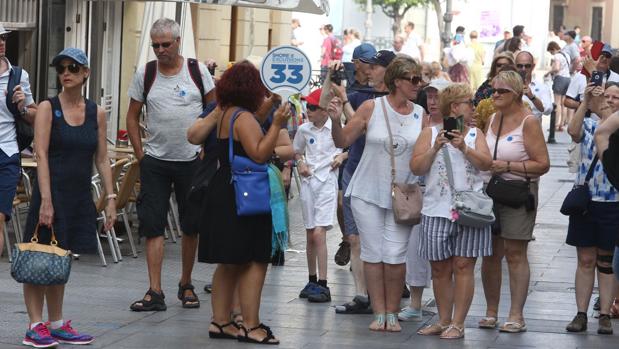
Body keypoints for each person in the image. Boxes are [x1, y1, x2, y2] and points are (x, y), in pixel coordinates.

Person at [21, 48, 114, 348]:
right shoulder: (48, 108)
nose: (66, 72)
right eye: (60, 68)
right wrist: (46, 199)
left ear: (86, 72)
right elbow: (41, 153)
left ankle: (57, 323)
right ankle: (35, 325)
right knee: (39, 258)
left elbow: (102, 158)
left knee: (60, 259)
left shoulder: (96, 112)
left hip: (77, 196)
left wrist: (111, 197)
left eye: (73, 67)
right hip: (51, 192)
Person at [327, 55, 425, 332]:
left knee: (395, 255)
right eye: (413, 79)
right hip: (367, 191)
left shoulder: (420, 114)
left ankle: (392, 312)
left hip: (403, 195)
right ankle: (379, 312)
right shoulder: (371, 107)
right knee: (372, 252)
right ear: (397, 82)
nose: (418, 85)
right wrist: (335, 121)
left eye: (420, 79)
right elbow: (343, 140)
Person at [198, 61, 290, 344]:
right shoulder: (244, 118)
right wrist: (277, 125)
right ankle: (251, 325)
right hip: (244, 195)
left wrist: (269, 108)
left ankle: (221, 321)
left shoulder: (227, 113)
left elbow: (250, 123)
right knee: (255, 259)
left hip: (225, 188)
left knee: (229, 262)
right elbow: (260, 153)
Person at [126, 18, 215, 311]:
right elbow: (132, 116)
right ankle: (155, 290)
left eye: (165, 44)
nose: (160, 50)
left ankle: (186, 283)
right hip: (155, 161)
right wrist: (141, 154)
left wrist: (205, 148)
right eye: (155, 45)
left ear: (178, 42)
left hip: (191, 162)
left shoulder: (197, 71)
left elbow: (214, 112)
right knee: (153, 226)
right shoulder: (146, 73)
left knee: (191, 226)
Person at [412, 83, 493, 339]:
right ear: (455, 107)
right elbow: (416, 167)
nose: (473, 106)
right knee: (439, 269)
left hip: (469, 209)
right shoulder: (429, 133)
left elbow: (487, 165)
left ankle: (457, 323)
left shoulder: (474, 134)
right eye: (469, 102)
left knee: (463, 265)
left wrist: (464, 148)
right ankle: (443, 320)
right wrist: (436, 147)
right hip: (436, 209)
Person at [479, 70, 550, 332]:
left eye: (501, 91)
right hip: (491, 192)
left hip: (518, 193)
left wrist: (507, 165)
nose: (495, 95)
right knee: (490, 254)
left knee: (514, 253)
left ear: (517, 94)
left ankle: (516, 315)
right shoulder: (493, 117)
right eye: (493, 90)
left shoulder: (528, 121)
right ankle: (491, 311)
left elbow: (543, 164)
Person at [331, 47, 389, 315]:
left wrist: (344, 100)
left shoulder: (392, 104)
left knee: (381, 239)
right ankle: (361, 295)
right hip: (355, 170)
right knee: (355, 238)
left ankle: (383, 293)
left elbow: (363, 126)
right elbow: (347, 132)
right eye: (367, 64)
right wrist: (333, 86)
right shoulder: (358, 96)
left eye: (374, 65)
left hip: (382, 175)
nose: (369, 69)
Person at [564, 81, 619, 335]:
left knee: (606, 262)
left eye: (616, 97)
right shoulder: (588, 124)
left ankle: (605, 314)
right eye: (606, 96)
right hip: (586, 202)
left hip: (613, 202)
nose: (609, 100)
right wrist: (586, 101)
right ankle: (581, 313)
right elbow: (572, 132)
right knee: (585, 259)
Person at [397, 78, 450, 323]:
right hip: (415, 190)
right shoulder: (418, 118)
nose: (432, 101)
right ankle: (416, 302)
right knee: (415, 249)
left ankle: (447, 310)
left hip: (445, 195)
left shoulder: (454, 124)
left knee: (445, 256)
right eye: (429, 97)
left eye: (437, 96)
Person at [295, 88, 346, 303]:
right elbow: (296, 151)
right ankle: (312, 279)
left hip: (326, 183)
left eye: (313, 107)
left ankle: (324, 284)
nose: (308, 111)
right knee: (309, 234)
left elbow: (350, 146)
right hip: (308, 184)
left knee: (318, 234)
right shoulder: (304, 130)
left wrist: (341, 156)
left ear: (325, 110)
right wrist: (300, 163)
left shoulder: (336, 128)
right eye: (308, 106)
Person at [0, 24, 37, 259]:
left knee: (0, 214)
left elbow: (35, 116)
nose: (1, 42)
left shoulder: (18, 75)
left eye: (3, 37)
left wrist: (23, 105)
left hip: (7, 153)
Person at [515, 51, 552, 120]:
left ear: (533, 66)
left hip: (533, 129)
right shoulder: (508, 85)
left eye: (527, 66)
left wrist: (532, 97)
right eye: (520, 66)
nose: (523, 69)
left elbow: (547, 111)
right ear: (515, 66)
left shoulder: (542, 87)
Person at [546, 41, 571, 131]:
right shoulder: (566, 55)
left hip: (560, 78)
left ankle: (555, 125)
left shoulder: (557, 56)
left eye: (551, 52)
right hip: (568, 78)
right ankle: (561, 124)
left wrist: (548, 72)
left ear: (553, 49)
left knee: (557, 103)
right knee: (564, 103)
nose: (551, 54)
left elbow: (556, 68)